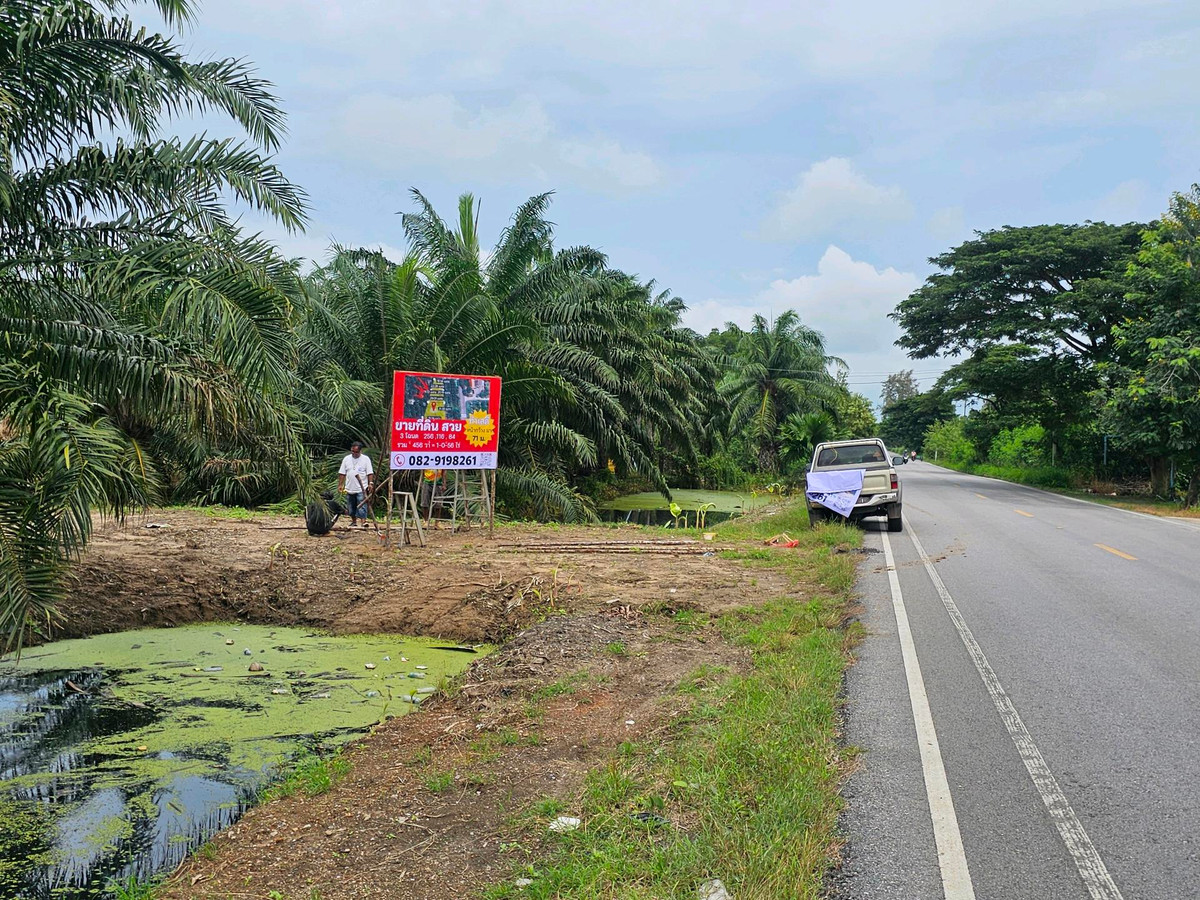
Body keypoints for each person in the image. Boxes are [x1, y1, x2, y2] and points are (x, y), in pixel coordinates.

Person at [337, 441, 374, 528]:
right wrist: (340, 484)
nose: (354, 453)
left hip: (361, 487)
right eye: (352, 451)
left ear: (360, 451)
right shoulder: (346, 459)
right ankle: (354, 521)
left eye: (356, 452)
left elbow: (370, 473)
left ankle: (363, 522)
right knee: (351, 506)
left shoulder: (365, 459)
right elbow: (342, 473)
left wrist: (370, 483)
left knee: (362, 505)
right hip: (350, 487)